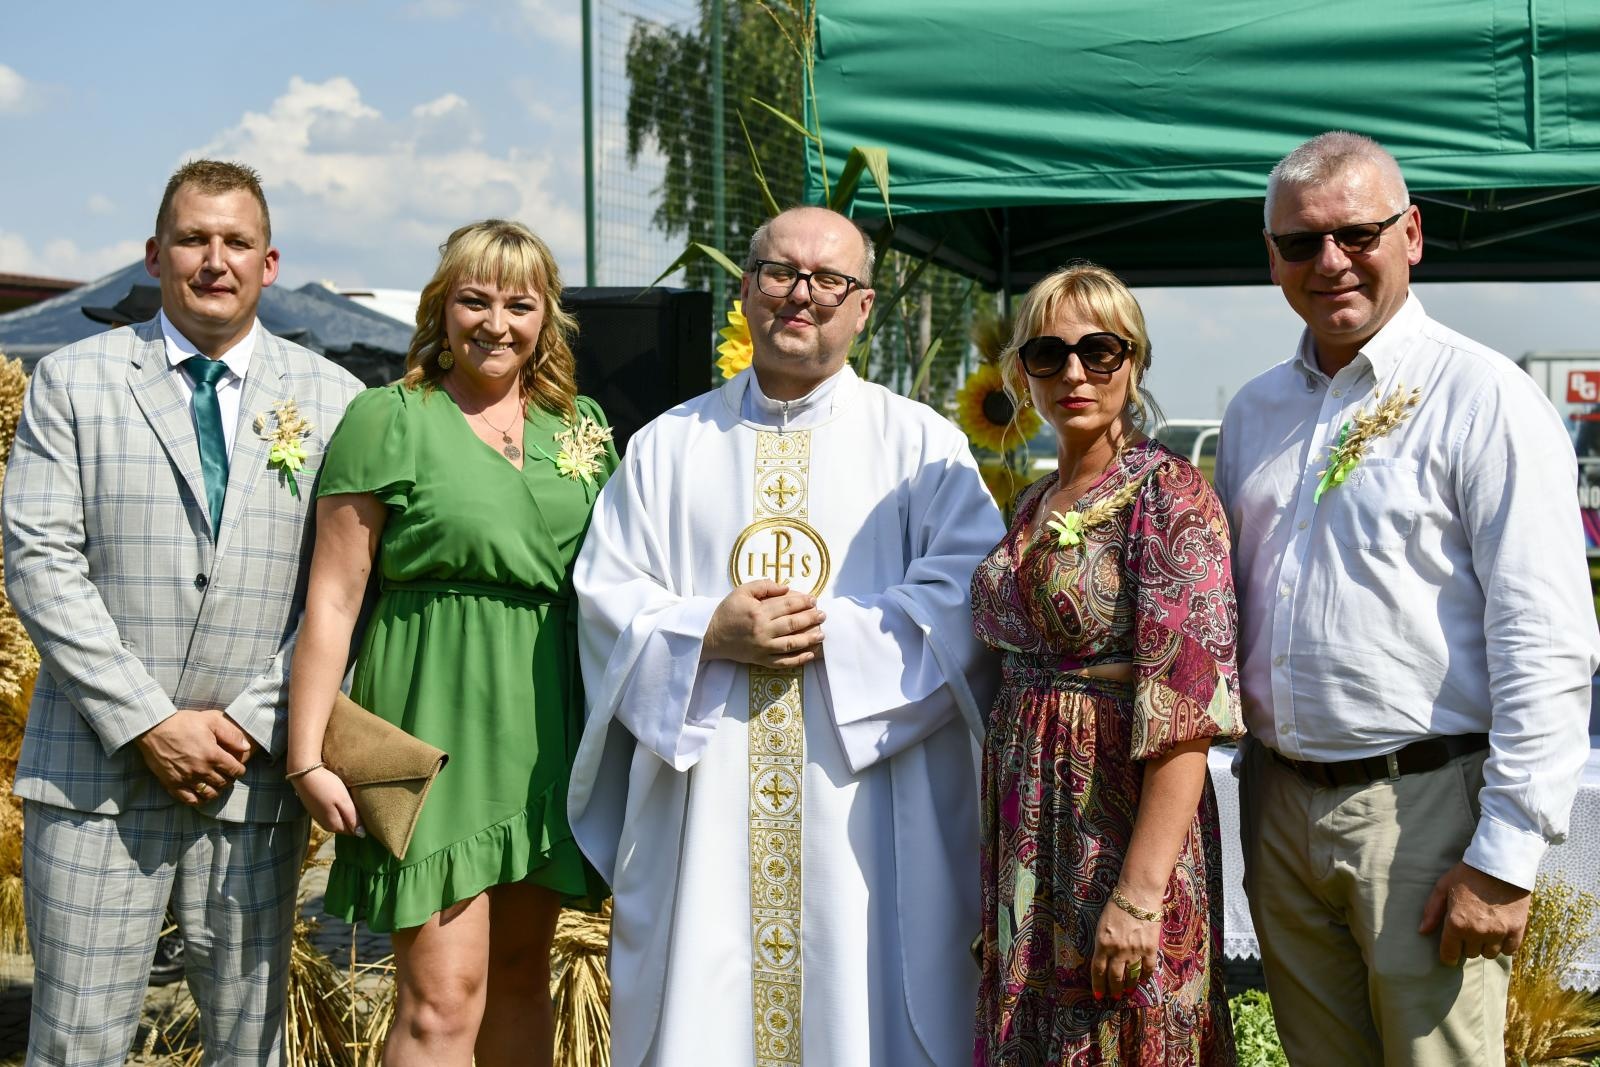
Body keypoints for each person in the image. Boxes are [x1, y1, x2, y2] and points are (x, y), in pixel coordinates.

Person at [568, 205, 1004, 1066]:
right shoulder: (666, 446)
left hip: (868, 806)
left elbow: (972, 595)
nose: (802, 295)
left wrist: (831, 631)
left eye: (830, 279)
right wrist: (709, 631)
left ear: (865, 305)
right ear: (744, 288)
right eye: (779, 272)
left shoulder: (923, 445)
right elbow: (606, 597)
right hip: (711, 798)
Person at [1215, 130, 1600, 1065]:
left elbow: (1545, 639)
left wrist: (1505, 857)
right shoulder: (1254, 413)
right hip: (1278, 803)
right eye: (1300, 243)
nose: (1331, 262)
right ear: (1272, 258)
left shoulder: (1485, 399)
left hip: (1424, 811)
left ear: (1413, 234)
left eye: (1357, 233)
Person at [3, 160, 364, 1065]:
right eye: (195, 239)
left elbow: (348, 591)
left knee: (252, 1046)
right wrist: (150, 722)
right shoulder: (73, 382)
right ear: (155, 254)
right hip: (95, 781)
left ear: (269, 262)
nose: (215, 259)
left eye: (236, 241)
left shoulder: (334, 400)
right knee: (75, 1045)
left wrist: (250, 724)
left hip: (252, 778)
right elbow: (41, 563)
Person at [286, 218, 614, 1067]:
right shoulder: (387, 417)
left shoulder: (580, 428)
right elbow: (332, 600)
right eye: (475, 299)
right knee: (440, 1001)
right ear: (442, 307)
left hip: (548, 734)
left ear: (546, 319)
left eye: (519, 303)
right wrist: (308, 753)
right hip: (432, 726)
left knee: (518, 980)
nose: (496, 323)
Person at [970, 263, 1242, 1065]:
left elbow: (1188, 712)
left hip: (1114, 826)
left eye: (1100, 349)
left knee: (1120, 1032)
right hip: (1031, 825)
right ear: (1022, 371)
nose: (1075, 372)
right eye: (1048, 354)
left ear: (1136, 359)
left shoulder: (1170, 495)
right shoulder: (1032, 500)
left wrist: (1139, 893)